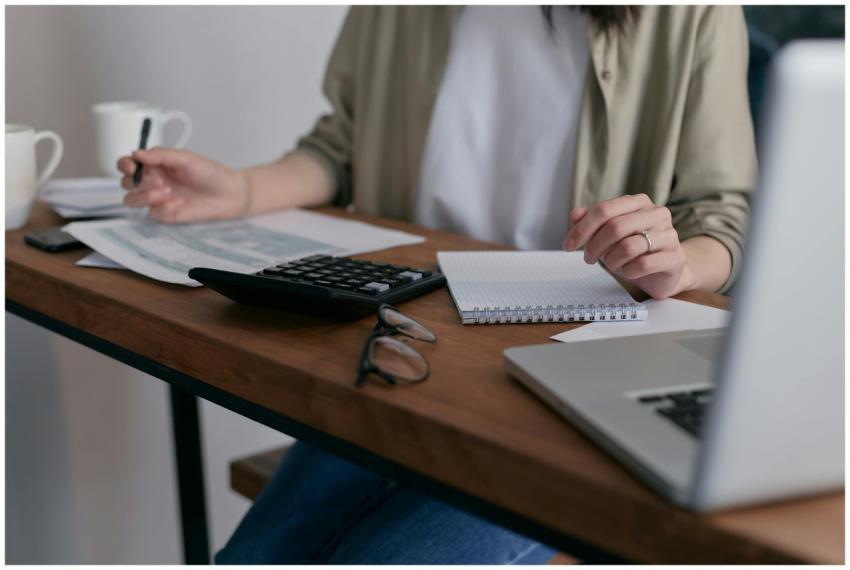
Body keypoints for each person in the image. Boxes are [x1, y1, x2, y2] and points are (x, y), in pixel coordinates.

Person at [117, 6, 756, 564]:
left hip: (570, 366)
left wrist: (675, 264)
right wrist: (244, 190)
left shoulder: (689, 9)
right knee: (250, 558)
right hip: (402, 345)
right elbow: (341, 147)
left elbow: (719, 215)